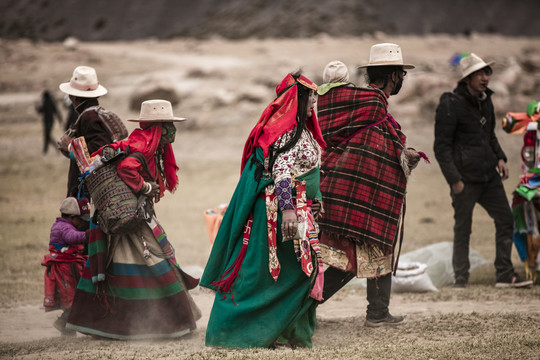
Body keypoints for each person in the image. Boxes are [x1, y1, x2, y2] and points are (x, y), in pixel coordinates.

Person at [200, 71, 327, 348]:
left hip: (297, 208)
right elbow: (282, 172)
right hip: (280, 214)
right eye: (310, 100)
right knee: (279, 275)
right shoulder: (287, 134)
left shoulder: (300, 130)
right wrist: (290, 211)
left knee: (296, 273)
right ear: (297, 99)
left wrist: (314, 200)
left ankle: (283, 332)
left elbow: (305, 170)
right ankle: (247, 332)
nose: (313, 105)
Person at [66, 99, 201, 339]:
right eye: (168, 124)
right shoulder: (142, 147)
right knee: (156, 262)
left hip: (127, 215)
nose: (172, 129)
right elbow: (127, 168)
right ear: (158, 126)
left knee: (119, 267)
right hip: (131, 217)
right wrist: (147, 188)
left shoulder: (146, 143)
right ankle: (172, 322)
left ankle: (109, 325)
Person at [317, 43, 422, 327]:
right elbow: (376, 145)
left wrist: (400, 151)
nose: (401, 81)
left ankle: (378, 312)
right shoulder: (373, 104)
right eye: (400, 75)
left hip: (348, 188)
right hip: (354, 192)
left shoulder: (366, 106)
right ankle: (300, 307)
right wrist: (402, 153)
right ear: (392, 76)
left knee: (377, 247)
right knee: (350, 258)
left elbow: (378, 142)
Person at [434, 53, 534, 289]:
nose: (485, 77)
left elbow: (489, 135)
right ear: (467, 77)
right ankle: (461, 278)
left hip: (489, 176)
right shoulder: (450, 104)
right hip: (464, 179)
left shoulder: (486, 100)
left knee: (506, 220)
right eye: (479, 73)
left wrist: (500, 157)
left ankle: (504, 274)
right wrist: (454, 180)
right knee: (463, 228)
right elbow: (441, 147)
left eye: (487, 72)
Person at [58, 65, 113, 197]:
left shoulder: (89, 116)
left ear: (73, 97)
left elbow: (100, 150)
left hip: (87, 192)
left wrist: (70, 147)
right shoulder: (92, 113)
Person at [42, 196, 90, 336]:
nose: (81, 223)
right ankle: (63, 323)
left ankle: (67, 329)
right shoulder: (64, 228)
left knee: (74, 299)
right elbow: (72, 237)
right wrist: (87, 235)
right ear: (72, 217)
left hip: (66, 267)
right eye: (80, 220)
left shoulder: (61, 225)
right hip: (64, 270)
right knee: (74, 299)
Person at [36, 89, 62, 154]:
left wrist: (37, 107)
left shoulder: (46, 102)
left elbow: (40, 111)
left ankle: (53, 148)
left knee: (47, 136)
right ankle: (46, 150)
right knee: (47, 136)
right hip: (49, 121)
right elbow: (56, 111)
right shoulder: (50, 102)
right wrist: (60, 119)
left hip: (48, 121)